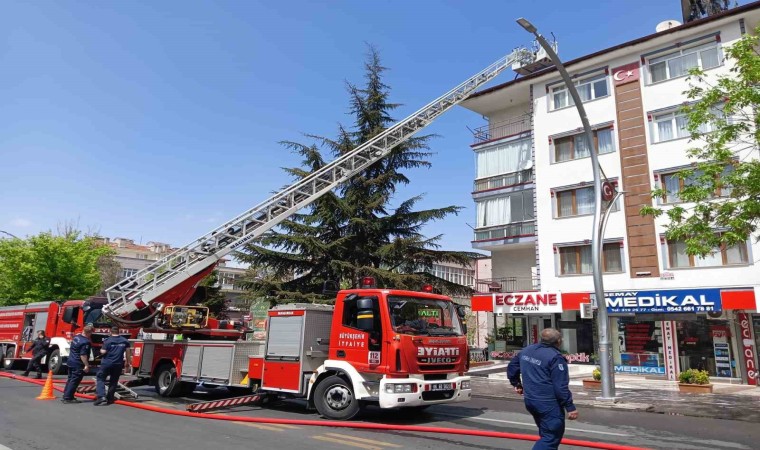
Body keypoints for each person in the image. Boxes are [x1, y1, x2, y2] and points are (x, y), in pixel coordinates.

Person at [507, 328, 578, 450]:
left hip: (530, 400)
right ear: (558, 341)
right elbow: (560, 386)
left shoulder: (527, 350)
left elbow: (512, 368)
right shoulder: (555, 357)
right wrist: (570, 406)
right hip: (548, 403)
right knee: (550, 438)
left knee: (545, 433)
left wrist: (516, 384)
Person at [94, 326, 131, 406]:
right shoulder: (125, 341)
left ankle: (101, 396)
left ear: (110, 332)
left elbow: (103, 351)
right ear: (119, 332)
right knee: (114, 381)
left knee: (101, 378)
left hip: (107, 363)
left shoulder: (108, 340)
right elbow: (128, 353)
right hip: (118, 364)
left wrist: (100, 350)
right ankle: (110, 398)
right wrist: (128, 363)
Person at [61, 325, 93, 404]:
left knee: (70, 379)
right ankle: (68, 398)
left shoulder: (76, 337)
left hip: (71, 360)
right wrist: (86, 365)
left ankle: (66, 395)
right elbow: (83, 355)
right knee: (75, 380)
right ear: (89, 333)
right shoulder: (85, 342)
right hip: (77, 363)